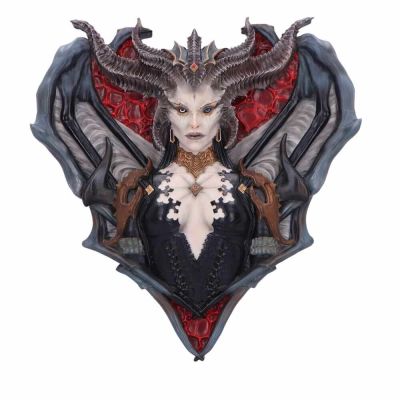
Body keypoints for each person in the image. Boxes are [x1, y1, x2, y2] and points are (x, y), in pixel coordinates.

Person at [71, 17, 310, 314]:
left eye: (206, 110)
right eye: (182, 109)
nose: (194, 124)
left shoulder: (250, 187)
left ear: (223, 115)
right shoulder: (140, 187)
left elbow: (269, 249)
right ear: (166, 116)